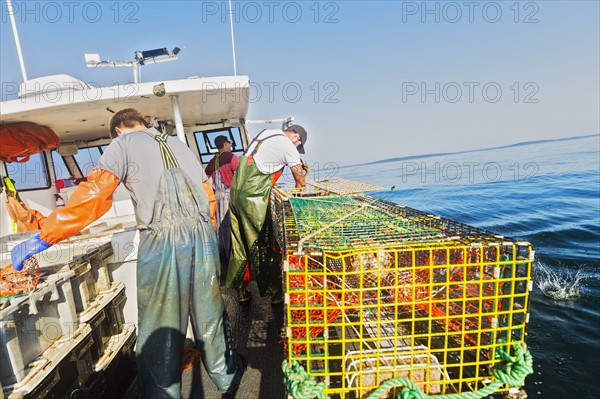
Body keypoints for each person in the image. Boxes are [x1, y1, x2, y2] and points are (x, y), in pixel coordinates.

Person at [11, 108, 245, 398]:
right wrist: (204, 238)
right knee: (210, 314)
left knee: (161, 324)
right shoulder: (178, 144)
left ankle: (161, 393)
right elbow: (208, 196)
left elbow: (95, 195)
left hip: (162, 243)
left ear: (118, 130)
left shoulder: (122, 144)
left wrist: (46, 236)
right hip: (203, 239)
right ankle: (227, 377)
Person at [226, 124, 308, 305]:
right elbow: (300, 181)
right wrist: (300, 192)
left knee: (239, 244)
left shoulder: (265, 134)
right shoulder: (288, 146)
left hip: (235, 195)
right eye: (298, 145)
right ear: (296, 138)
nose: (296, 147)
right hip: (252, 198)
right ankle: (275, 294)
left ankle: (242, 291)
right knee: (261, 244)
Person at [204, 135, 239, 266]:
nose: (230, 146)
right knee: (232, 225)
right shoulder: (232, 157)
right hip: (229, 196)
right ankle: (233, 254)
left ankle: (222, 254)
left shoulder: (213, 161)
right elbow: (238, 177)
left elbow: (205, 177)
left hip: (217, 197)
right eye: (229, 144)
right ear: (225, 144)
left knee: (220, 227)